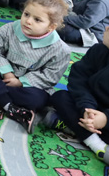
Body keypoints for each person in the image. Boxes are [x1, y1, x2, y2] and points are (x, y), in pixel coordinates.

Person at [0, 0, 70, 134]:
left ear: (51, 27)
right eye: (26, 14)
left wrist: (21, 82)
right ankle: (10, 107)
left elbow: (50, 76)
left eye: (37, 20)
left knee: (39, 100)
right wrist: (7, 73)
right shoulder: (9, 29)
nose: (28, 21)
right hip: (2, 75)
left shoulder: (61, 50)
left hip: (27, 86)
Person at [46, 25, 109, 165]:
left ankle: (73, 127)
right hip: (87, 107)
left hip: (105, 120)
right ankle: (97, 144)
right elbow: (78, 79)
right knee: (60, 97)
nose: (106, 28)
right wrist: (87, 108)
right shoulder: (99, 50)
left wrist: (105, 119)